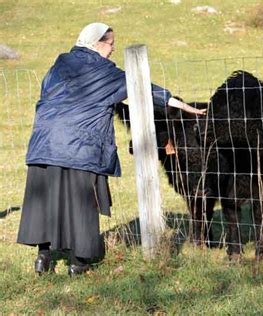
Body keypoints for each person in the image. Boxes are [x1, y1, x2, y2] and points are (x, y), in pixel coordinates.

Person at [17, 22, 206, 276]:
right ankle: (78, 263)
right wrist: (182, 106)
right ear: (97, 44)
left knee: (48, 199)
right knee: (83, 203)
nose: (113, 49)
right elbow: (143, 87)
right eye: (110, 44)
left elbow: (45, 97)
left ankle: (43, 258)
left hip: (44, 142)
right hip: (81, 146)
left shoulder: (58, 66)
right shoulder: (106, 72)